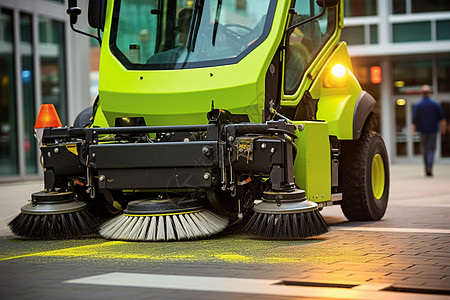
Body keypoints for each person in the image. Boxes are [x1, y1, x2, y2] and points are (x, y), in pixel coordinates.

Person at [412, 85, 447, 177]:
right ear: (429, 93)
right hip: (433, 130)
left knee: (424, 150)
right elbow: (442, 119)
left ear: (421, 93)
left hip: (423, 130)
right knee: (431, 149)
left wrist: (413, 131)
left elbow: (414, 120)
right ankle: (429, 167)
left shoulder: (418, 105)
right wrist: (443, 128)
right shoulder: (435, 104)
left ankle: (426, 167)